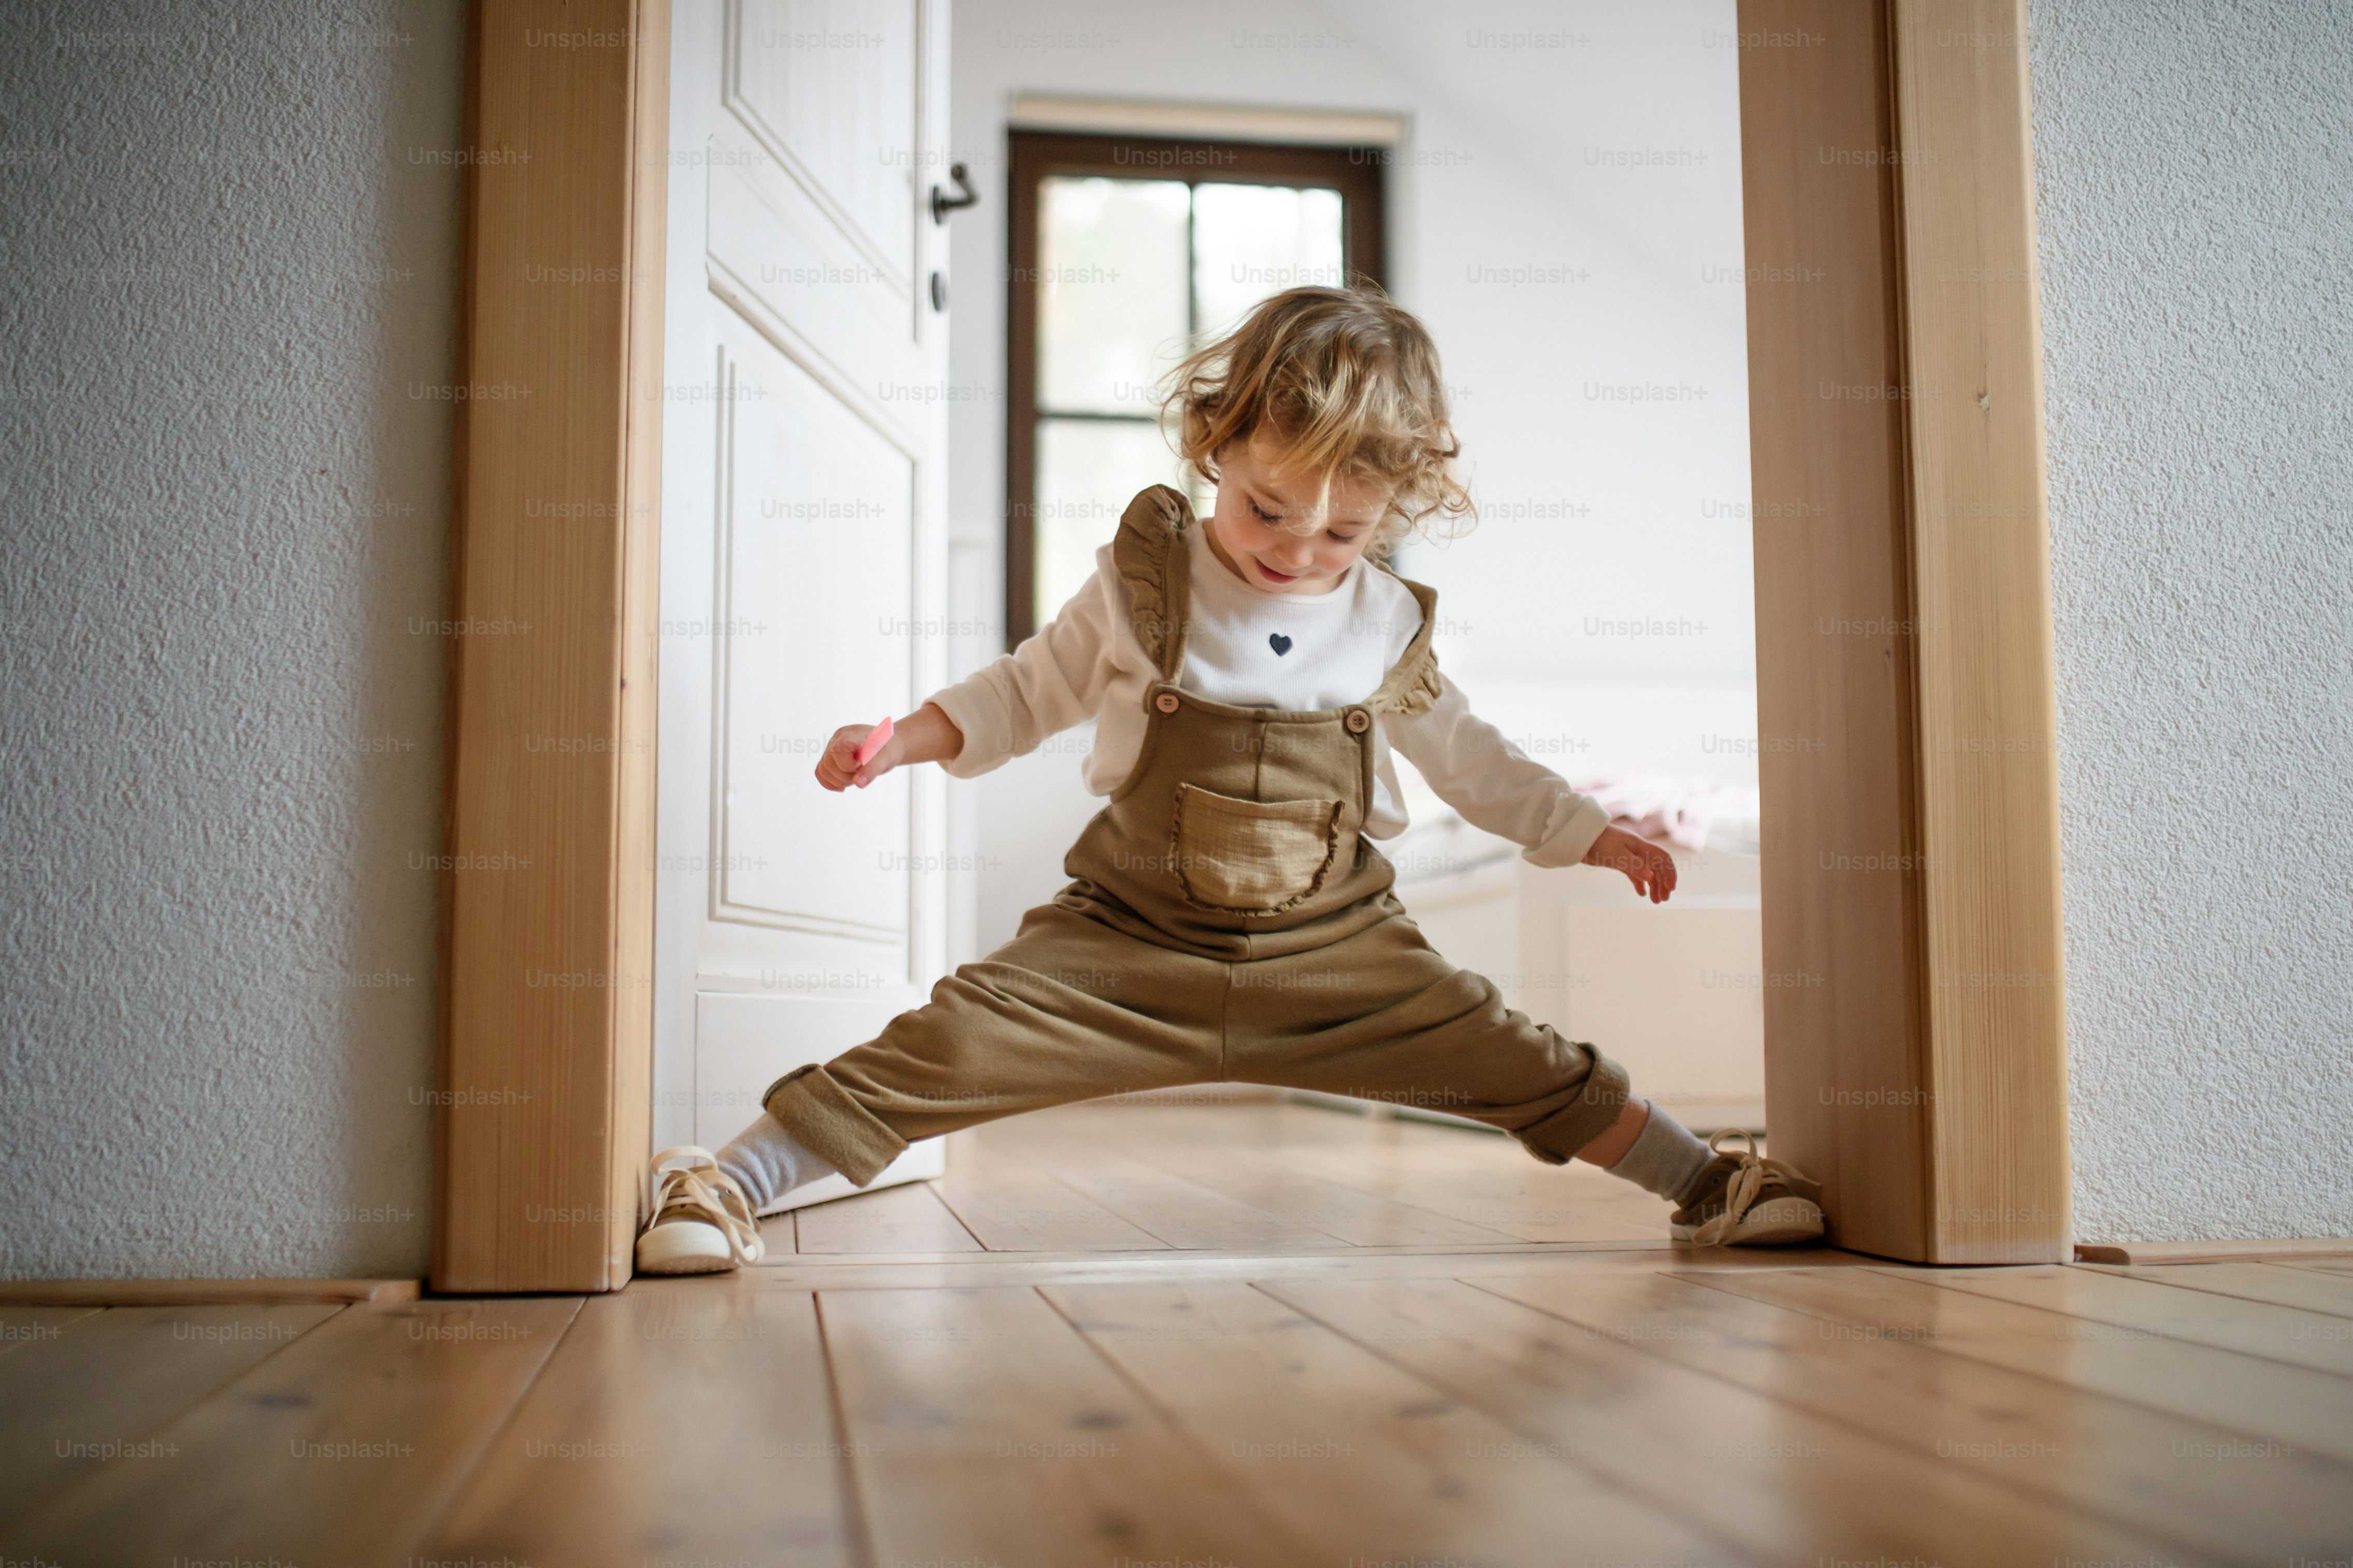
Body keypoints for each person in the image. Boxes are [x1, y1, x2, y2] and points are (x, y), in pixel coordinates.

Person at [634, 285, 1823, 1275]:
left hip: (1339, 952)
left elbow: (1470, 756)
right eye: (1268, 508)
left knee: (1519, 1056)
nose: (1298, 549)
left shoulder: (1388, 625)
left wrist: (1586, 831)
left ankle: (1704, 1178)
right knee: (949, 1039)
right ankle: (722, 1180)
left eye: (1343, 532)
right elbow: (1024, 689)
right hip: (1129, 936)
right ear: (1218, 443)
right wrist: (907, 737)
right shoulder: (1144, 583)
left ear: (1389, 514)